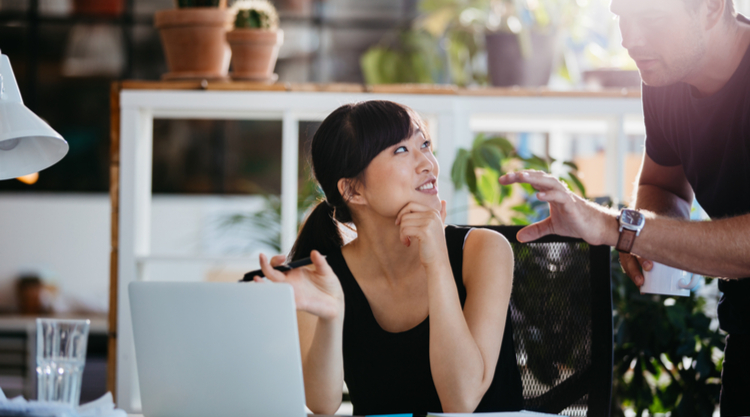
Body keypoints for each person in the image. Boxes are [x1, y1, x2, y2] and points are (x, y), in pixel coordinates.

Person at [500, 0, 750, 414]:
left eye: (650, 19)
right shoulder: (666, 77)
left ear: (710, 8)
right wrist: (659, 243)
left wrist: (624, 228)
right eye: (621, 18)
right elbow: (661, 183)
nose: (629, 40)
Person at [256, 100, 523, 415]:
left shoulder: (484, 251)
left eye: (424, 144)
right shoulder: (322, 276)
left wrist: (436, 260)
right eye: (401, 151)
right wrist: (330, 317)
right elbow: (322, 405)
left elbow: (461, 401)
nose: (427, 163)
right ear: (353, 191)